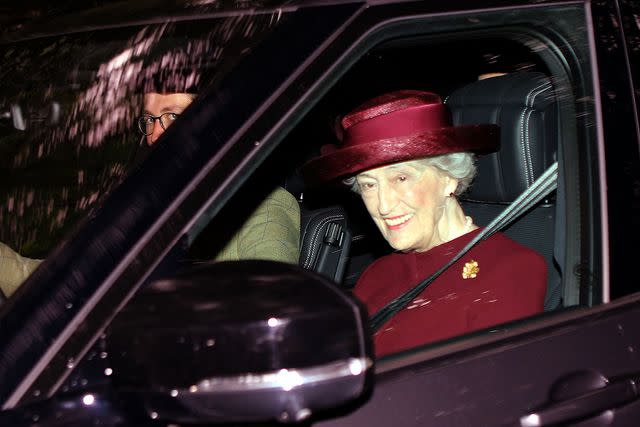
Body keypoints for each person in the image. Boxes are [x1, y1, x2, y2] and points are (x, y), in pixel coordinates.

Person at [303, 90, 547, 357]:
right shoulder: (377, 273)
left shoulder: (510, 268)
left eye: (401, 179)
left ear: (449, 178)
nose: (383, 206)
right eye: (369, 185)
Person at [0, 92, 300, 298]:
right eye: (149, 120)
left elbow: (269, 316)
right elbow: (59, 286)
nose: (155, 135)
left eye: (172, 115)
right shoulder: (146, 208)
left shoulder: (261, 208)